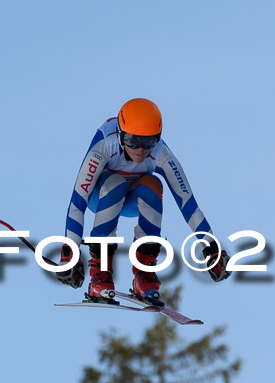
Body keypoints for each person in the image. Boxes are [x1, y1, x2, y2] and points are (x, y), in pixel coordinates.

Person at [56, 98, 231, 304]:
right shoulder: (105, 144)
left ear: (157, 138)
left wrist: (211, 247)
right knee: (115, 182)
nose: (140, 149)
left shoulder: (160, 153)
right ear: (121, 135)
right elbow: (78, 202)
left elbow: (187, 203)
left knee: (153, 184)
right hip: (103, 196)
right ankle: (100, 274)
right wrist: (71, 252)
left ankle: (144, 274)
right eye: (132, 140)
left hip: (134, 200)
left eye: (148, 142)